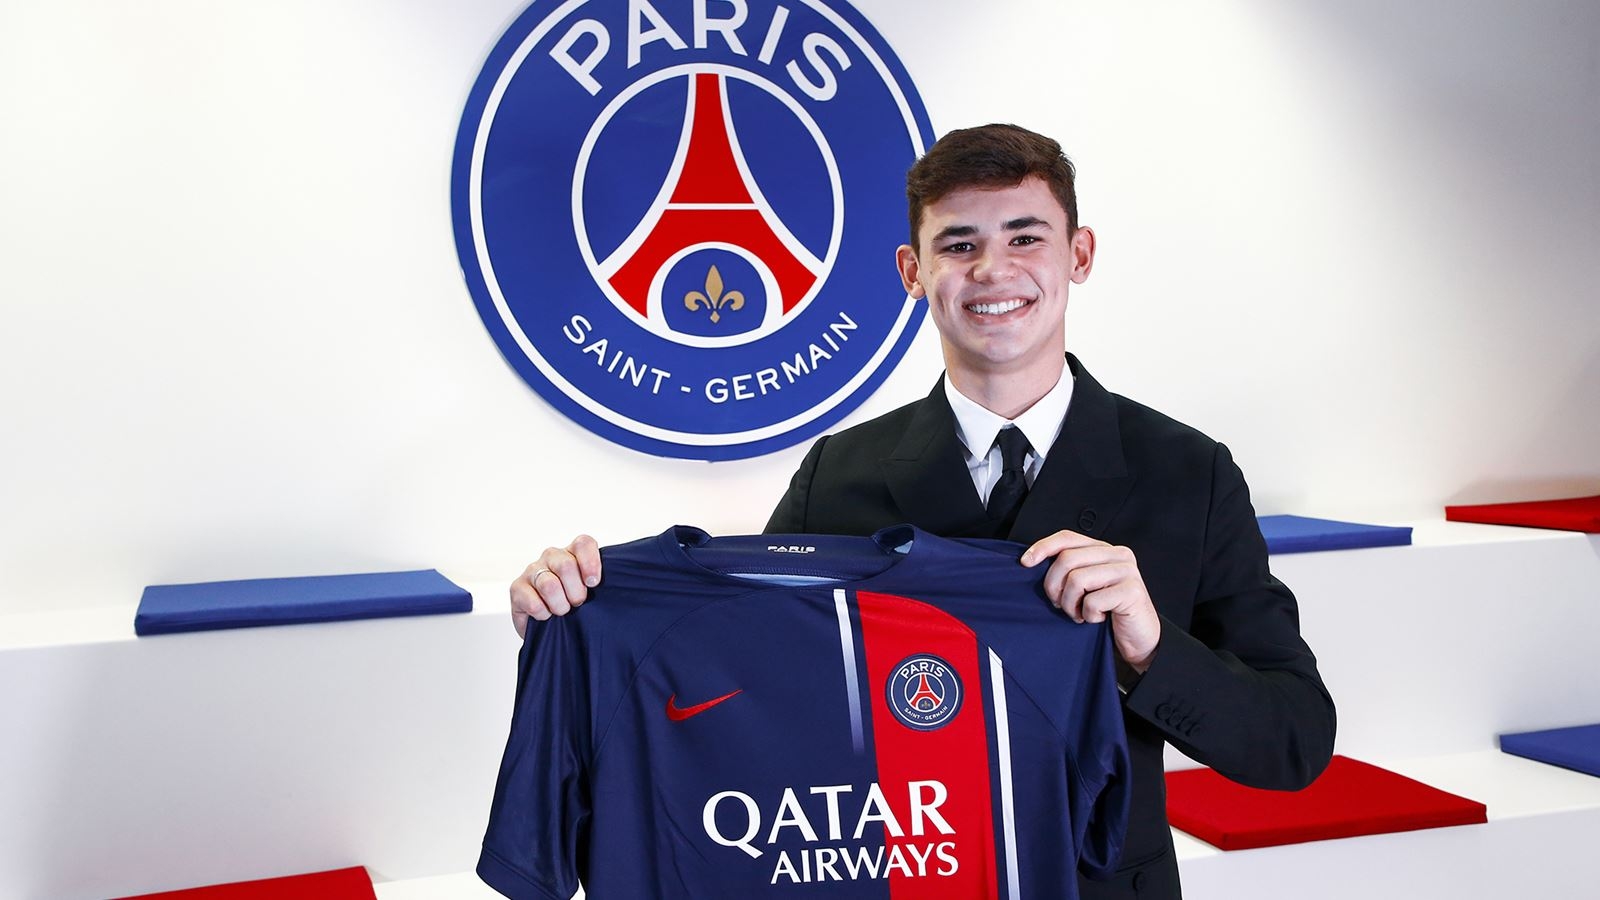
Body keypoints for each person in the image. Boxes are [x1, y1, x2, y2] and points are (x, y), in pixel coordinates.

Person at [511, 123, 1336, 899]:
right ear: (913, 271)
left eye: (1025, 237)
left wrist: (1151, 650)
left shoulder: (1188, 472)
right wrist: (576, 621)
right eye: (959, 245)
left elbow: (1293, 742)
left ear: (1079, 254)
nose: (993, 271)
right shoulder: (838, 475)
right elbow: (742, 682)